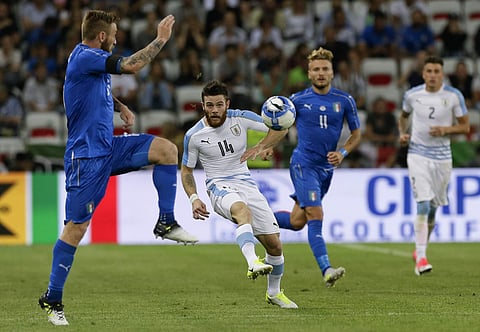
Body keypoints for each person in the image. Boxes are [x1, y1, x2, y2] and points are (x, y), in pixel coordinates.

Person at [37, 10, 198, 326]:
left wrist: (120, 106)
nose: (116, 38)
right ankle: (51, 298)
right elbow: (133, 66)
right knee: (76, 229)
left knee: (166, 150)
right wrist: (160, 40)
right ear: (101, 37)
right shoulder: (86, 57)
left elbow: (91, 92)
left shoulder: (89, 60)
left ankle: (166, 222)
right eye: (113, 34)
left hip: (108, 147)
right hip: (85, 158)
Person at [244, 47, 362, 287]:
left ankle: (253, 217)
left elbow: (356, 134)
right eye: (316, 69)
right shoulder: (297, 100)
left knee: (298, 222)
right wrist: (268, 146)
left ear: (332, 72)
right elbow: (283, 127)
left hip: (326, 169)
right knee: (315, 214)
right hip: (303, 164)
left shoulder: (344, 100)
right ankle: (326, 269)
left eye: (325, 69)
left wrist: (342, 152)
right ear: (309, 73)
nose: (321, 73)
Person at [181, 80, 297, 309]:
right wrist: (194, 198)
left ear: (227, 104)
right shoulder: (194, 135)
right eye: (209, 105)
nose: (214, 110)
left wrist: (263, 145)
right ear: (203, 106)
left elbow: (280, 127)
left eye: (219, 105)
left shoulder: (241, 117)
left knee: (275, 245)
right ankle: (252, 261)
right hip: (218, 186)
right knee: (241, 210)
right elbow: (186, 170)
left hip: (246, 184)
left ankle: (274, 293)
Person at [398, 55, 470, 276]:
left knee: (433, 209)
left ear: (442, 74)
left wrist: (445, 130)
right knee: (423, 202)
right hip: (418, 154)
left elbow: (465, 127)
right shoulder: (412, 95)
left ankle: (421, 247)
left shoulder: (453, 96)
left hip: (443, 158)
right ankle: (421, 257)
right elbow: (403, 116)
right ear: (423, 73)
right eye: (429, 71)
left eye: (436, 71)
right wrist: (403, 133)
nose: (432, 75)